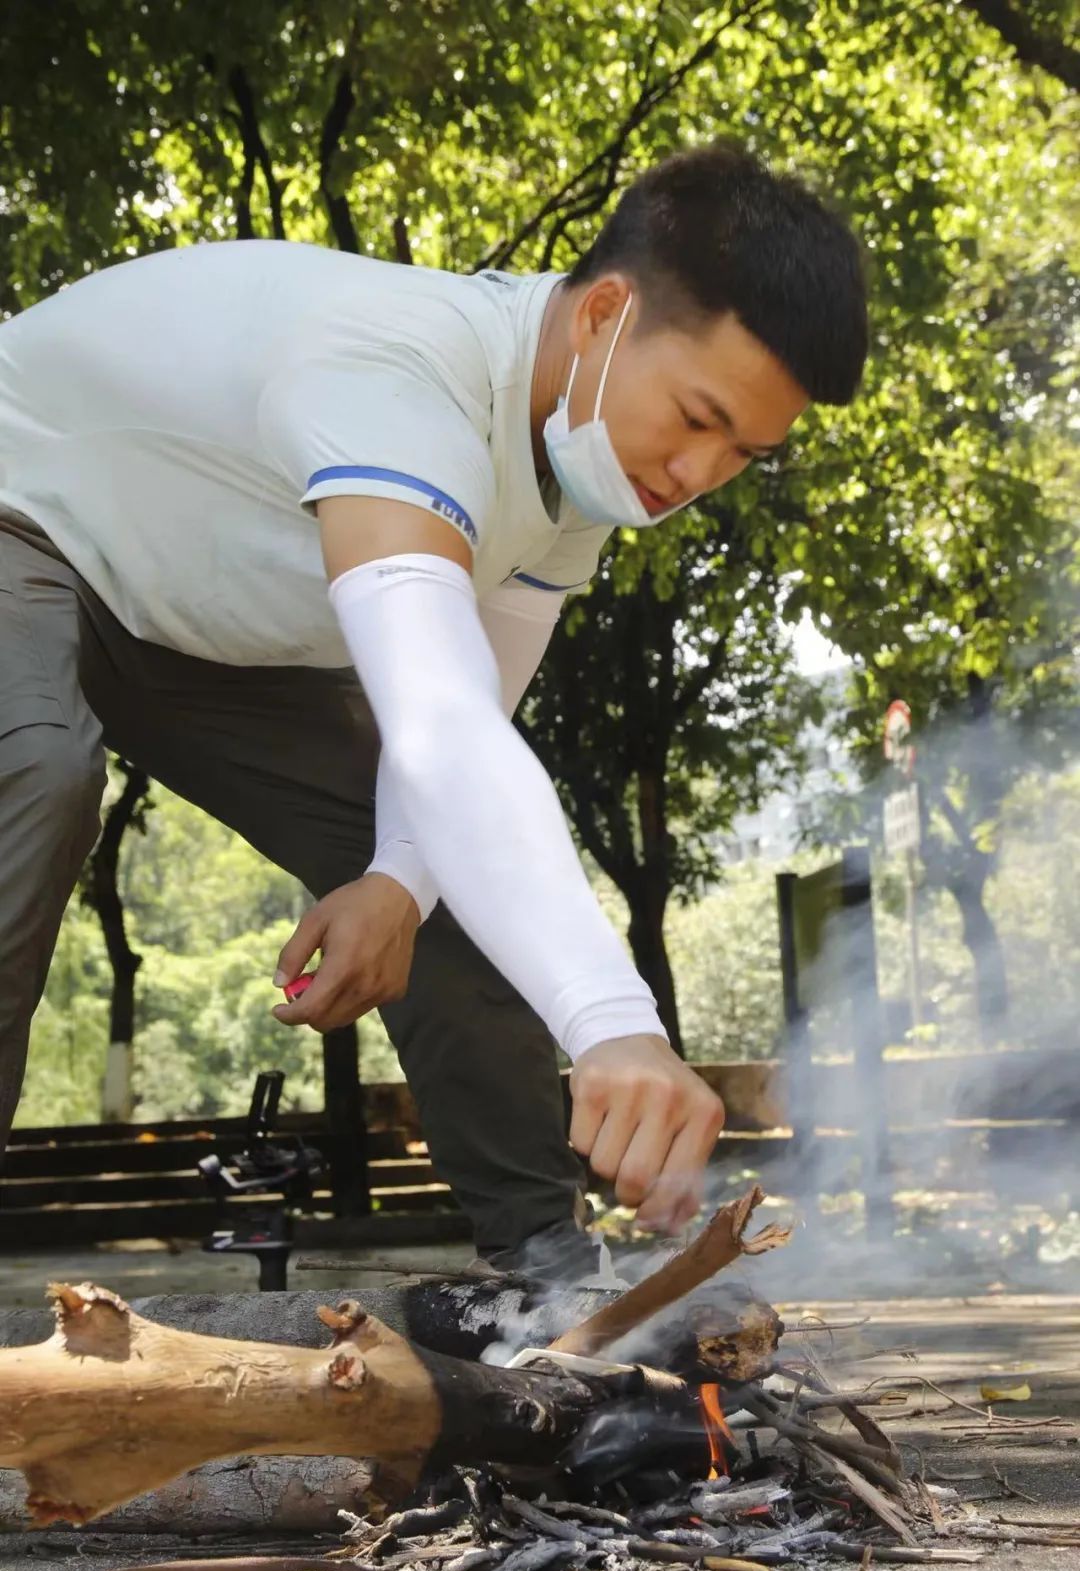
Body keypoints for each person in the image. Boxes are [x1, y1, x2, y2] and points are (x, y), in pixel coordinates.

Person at [0, 138, 868, 1278]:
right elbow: (441, 732)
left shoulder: (578, 479)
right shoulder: (404, 374)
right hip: (28, 518)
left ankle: (550, 1282)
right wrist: (613, 1020)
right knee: (36, 773)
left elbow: (468, 736)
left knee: (451, 867)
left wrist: (396, 885)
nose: (698, 472)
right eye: (697, 416)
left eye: (743, 454)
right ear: (605, 313)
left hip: (184, 617)